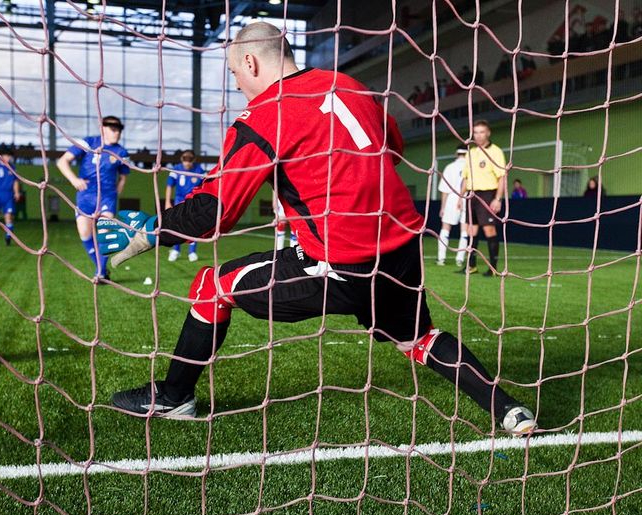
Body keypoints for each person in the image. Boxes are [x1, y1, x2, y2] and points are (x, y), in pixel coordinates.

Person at [96, 22, 536, 436]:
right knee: (419, 338)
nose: (236, 84)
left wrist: (149, 231)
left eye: (234, 73)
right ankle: (509, 411)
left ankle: (174, 396)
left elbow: (215, 214)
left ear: (250, 64)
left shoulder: (264, 115)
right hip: (401, 249)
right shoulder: (352, 86)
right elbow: (391, 151)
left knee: (212, 287)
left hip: (340, 262)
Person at [56, 115, 130, 279]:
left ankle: (101, 273)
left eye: (118, 130)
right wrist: (74, 179)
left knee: (104, 231)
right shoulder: (88, 143)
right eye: (113, 129)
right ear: (102, 128)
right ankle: (102, 268)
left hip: (107, 197)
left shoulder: (121, 152)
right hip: (86, 195)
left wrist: (117, 190)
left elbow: (124, 176)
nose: (116, 133)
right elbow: (62, 161)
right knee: (84, 233)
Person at [459, 119, 506, 277]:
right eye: (476, 132)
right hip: (471, 195)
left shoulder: (496, 151)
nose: (478, 135)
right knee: (471, 231)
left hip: (488, 194)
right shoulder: (471, 152)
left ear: (488, 133)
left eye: (481, 132)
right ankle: (471, 265)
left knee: (489, 230)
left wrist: (497, 199)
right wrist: (460, 197)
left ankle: (493, 268)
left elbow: (502, 177)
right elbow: (465, 177)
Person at [164, 150, 205, 262]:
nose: (187, 163)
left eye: (190, 160)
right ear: (181, 159)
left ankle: (192, 252)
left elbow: (204, 187)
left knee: (194, 226)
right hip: (179, 201)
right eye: (185, 159)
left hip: (194, 203)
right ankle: (176, 250)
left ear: (194, 160)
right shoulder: (175, 169)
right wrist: (168, 202)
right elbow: (169, 186)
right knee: (178, 226)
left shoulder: (199, 170)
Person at [436, 146, 468, 267]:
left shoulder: (449, 167)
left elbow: (444, 189)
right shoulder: (470, 167)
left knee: (445, 228)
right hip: (467, 197)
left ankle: (441, 258)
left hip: (452, 197)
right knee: (465, 231)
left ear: (456, 154)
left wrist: (443, 207)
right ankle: (460, 259)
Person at [0, 149, 20, 246]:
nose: (9, 158)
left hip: (8, 195)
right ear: (2, 156)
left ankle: (8, 237)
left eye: (10, 156)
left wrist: (17, 192)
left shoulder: (12, 168)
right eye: (7, 156)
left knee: (8, 217)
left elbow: (15, 181)